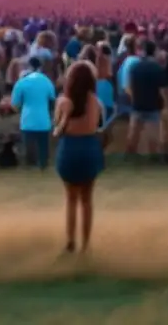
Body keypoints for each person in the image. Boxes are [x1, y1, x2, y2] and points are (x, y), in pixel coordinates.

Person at [53, 60, 105, 253]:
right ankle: (86, 243)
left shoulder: (63, 101)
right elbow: (97, 126)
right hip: (89, 148)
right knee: (87, 200)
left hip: (69, 148)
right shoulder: (95, 102)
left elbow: (57, 131)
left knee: (71, 199)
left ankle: (70, 240)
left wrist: (65, 118)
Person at [126, 40, 168, 159]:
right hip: (153, 105)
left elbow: (130, 86)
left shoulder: (135, 66)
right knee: (153, 136)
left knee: (133, 135)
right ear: (154, 52)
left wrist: (133, 99)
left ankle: (130, 157)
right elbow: (163, 90)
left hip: (137, 104)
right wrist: (166, 105)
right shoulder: (157, 68)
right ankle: (153, 159)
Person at [11, 57, 57, 169]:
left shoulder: (22, 82)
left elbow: (15, 103)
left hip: (27, 119)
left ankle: (29, 164)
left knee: (28, 145)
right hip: (43, 118)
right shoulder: (46, 81)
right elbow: (52, 98)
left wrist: (19, 110)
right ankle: (43, 163)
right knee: (43, 146)